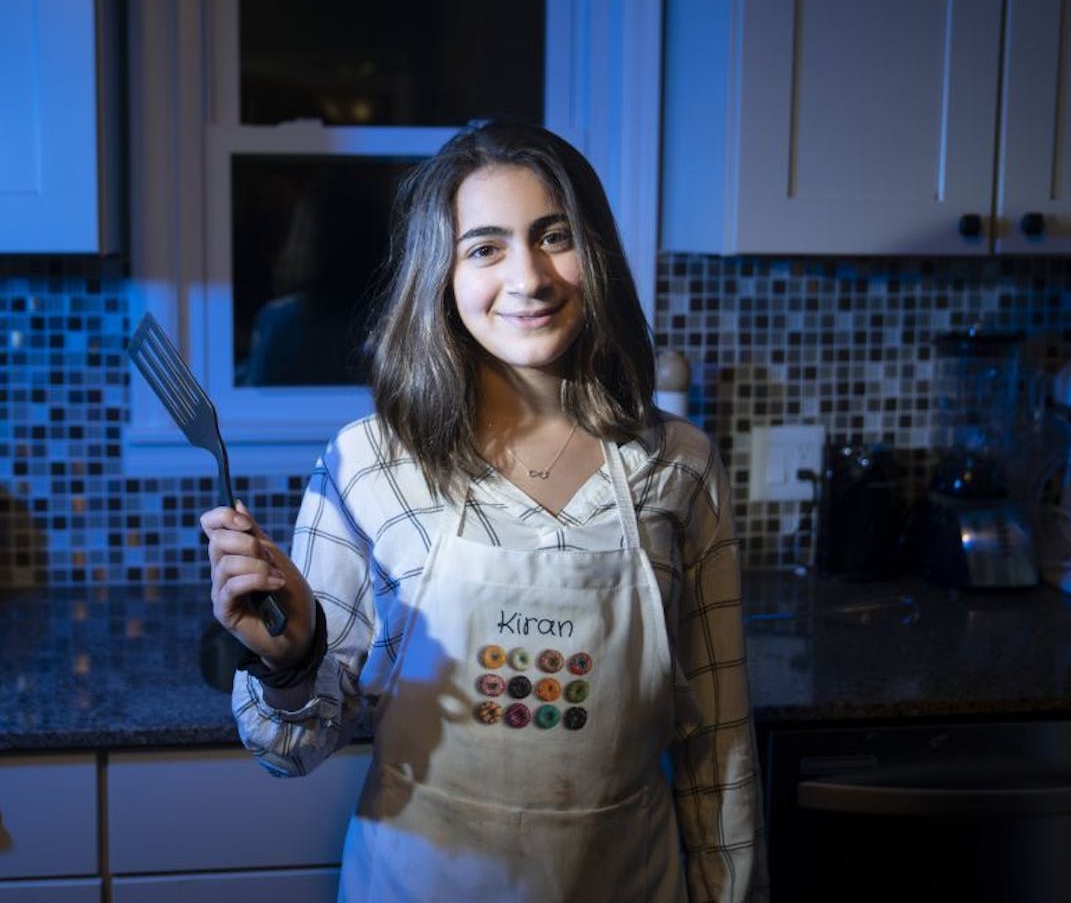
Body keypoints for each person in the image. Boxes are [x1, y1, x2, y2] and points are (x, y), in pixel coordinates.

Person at [201, 120, 766, 901]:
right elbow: (292, 746)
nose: (528, 277)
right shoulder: (373, 464)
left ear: (596, 252)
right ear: (442, 274)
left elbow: (721, 745)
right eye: (485, 247)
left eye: (554, 235)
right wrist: (291, 657)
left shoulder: (679, 465)